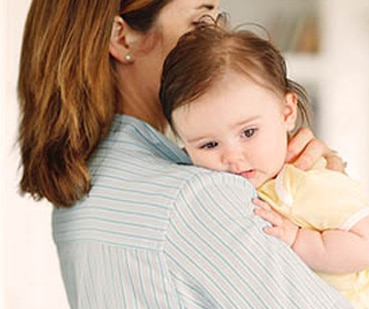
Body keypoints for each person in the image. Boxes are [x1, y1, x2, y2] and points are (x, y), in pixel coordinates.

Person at [17, 0, 351, 308]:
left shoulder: (77, 192)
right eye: (200, 21)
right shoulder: (197, 197)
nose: (217, 38)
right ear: (122, 38)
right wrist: (332, 202)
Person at [159, 23, 369, 308]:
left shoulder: (308, 181)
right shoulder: (225, 185)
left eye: (248, 133)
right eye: (209, 145)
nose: (232, 158)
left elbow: (367, 246)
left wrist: (298, 239)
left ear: (287, 112)